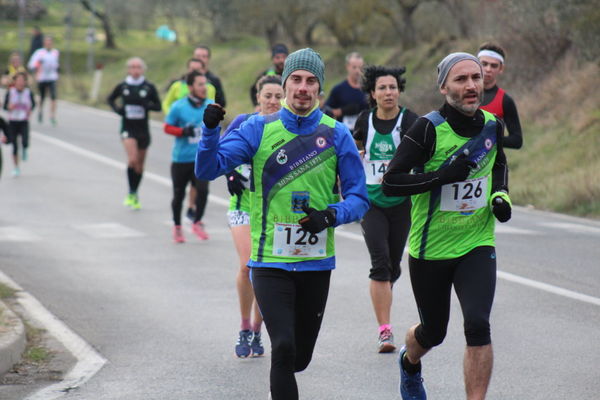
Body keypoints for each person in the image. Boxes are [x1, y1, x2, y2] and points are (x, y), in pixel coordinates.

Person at [196, 48, 369, 400]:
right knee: (284, 348)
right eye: (296, 80)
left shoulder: (337, 135)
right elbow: (207, 168)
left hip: (316, 262)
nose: (302, 88)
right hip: (269, 261)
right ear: (286, 84)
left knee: (299, 358)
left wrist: (332, 215)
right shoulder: (257, 128)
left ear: (319, 87)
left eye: (310, 81)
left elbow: (359, 198)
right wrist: (210, 130)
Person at [381, 52, 511, 400]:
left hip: (476, 243)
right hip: (431, 251)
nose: (471, 85)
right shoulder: (427, 128)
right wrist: (440, 176)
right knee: (433, 333)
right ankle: (410, 364)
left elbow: (499, 164)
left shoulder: (491, 125)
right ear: (444, 87)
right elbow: (391, 183)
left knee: (478, 325)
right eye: (461, 79)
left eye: (476, 77)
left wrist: (501, 195)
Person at [353, 65, 418, 353]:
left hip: (402, 202)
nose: (388, 92)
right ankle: (385, 331)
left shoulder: (411, 121)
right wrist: (356, 156)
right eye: (382, 88)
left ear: (399, 90)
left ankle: (385, 291)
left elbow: (425, 155)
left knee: (393, 266)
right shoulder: (365, 121)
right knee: (380, 264)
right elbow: (352, 151)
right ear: (373, 93)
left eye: (393, 87)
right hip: (372, 202)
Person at [223, 75, 284, 358]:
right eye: (267, 95)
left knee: (266, 269)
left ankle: (259, 330)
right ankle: (244, 327)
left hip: (274, 209)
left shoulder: (289, 128)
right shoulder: (243, 123)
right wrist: (232, 171)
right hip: (243, 206)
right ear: (257, 97)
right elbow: (221, 154)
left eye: (277, 96)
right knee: (249, 264)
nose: (272, 101)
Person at [163, 71, 212, 242]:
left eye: (204, 84)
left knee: (203, 191)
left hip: (201, 159)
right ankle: (177, 226)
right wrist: (182, 131)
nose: (203, 88)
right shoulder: (178, 106)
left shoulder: (210, 105)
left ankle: (197, 222)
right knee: (178, 194)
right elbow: (167, 127)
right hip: (181, 158)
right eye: (200, 84)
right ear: (190, 87)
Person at [107, 57, 161, 210]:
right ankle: (130, 192)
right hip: (128, 128)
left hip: (143, 130)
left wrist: (147, 105)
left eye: (138, 67)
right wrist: (118, 110)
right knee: (132, 159)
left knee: (139, 166)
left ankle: (135, 192)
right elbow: (110, 99)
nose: (135, 70)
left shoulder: (148, 87)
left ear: (143, 69)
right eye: (132, 67)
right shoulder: (123, 86)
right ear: (128, 69)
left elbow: (158, 106)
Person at [477, 42, 523, 149]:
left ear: (501, 69)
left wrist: (489, 141)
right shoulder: (462, 95)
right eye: (484, 64)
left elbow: (517, 141)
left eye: (494, 65)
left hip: (492, 163)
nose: (488, 69)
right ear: (476, 64)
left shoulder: (505, 101)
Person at [2, 72, 35, 177]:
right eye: (18, 80)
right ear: (15, 82)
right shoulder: (11, 92)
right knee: (14, 145)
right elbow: (5, 107)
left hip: (23, 120)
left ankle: (25, 149)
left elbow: (33, 104)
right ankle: (16, 167)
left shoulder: (28, 92)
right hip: (13, 121)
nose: (20, 82)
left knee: (25, 141)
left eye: (22, 80)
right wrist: (9, 107)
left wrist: (30, 110)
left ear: (25, 82)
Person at [325, 52, 369, 131]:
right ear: (347, 67)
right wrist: (341, 111)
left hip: (364, 134)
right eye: (354, 67)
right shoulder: (338, 89)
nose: (357, 71)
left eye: (360, 68)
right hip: (344, 134)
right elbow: (326, 111)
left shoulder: (368, 89)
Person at [28, 36, 59, 125]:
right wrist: (38, 64)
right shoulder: (39, 53)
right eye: (47, 42)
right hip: (42, 77)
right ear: (44, 43)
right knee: (42, 97)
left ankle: (52, 116)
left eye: (50, 42)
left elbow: (56, 65)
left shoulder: (55, 52)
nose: (48, 43)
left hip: (52, 77)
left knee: (53, 96)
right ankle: (40, 111)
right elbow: (31, 65)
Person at [249, 43, 288, 107]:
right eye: (277, 57)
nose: (281, 60)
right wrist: (257, 105)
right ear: (272, 59)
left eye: (284, 57)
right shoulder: (266, 75)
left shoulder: (293, 75)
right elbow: (253, 90)